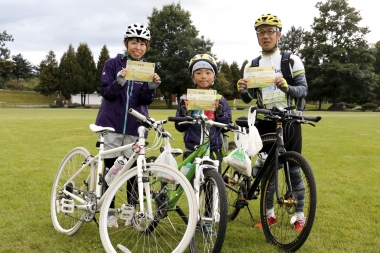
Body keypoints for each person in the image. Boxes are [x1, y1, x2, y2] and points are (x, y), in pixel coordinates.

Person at [237, 13, 308, 231]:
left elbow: (303, 90)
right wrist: (243, 91)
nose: (265, 36)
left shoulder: (291, 60)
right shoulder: (253, 65)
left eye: (270, 31)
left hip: (289, 119)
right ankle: (268, 215)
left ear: (279, 34)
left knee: (294, 169)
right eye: (261, 32)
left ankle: (299, 215)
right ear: (257, 36)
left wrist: (286, 87)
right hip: (265, 120)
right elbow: (249, 99)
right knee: (267, 170)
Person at [95, 23, 161, 228]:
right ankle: (109, 211)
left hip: (135, 126)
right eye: (134, 42)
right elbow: (106, 93)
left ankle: (131, 213)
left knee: (133, 172)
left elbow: (145, 100)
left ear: (146, 47)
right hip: (112, 125)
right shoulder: (112, 64)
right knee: (111, 171)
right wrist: (119, 81)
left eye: (142, 44)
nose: (138, 47)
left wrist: (151, 87)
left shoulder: (146, 69)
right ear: (126, 44)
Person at [174, 54, 232, 170]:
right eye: (198, 73)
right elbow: (179, 127)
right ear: (192, 77)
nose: (203, 76)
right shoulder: (185, 99)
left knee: (214, 185)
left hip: (213, 149)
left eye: (208, 72)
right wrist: (184, 112)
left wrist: (219, 112)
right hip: (192, 149)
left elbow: (227, 126)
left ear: (214, 77)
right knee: (190, 184)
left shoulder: (220, 99)